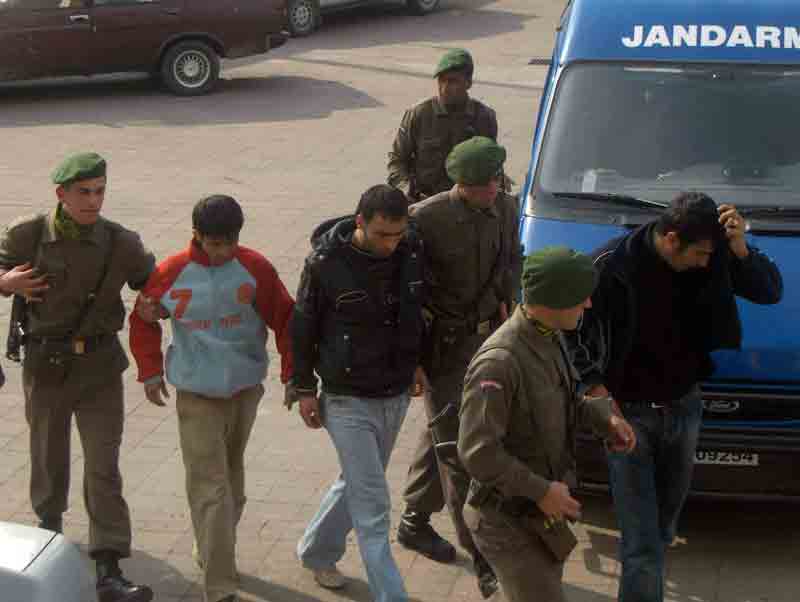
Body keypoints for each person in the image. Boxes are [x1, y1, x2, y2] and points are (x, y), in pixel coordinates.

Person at [569, 192, 783, 602]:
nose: (707, 262)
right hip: (628, 415)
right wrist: (594, 388)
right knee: (642, 545)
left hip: (685, 408)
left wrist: (740, 249)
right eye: (701, 254)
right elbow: (570, 333)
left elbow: (770, 291)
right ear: (670, 239)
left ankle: (655, 552)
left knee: (665, 524)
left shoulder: (713, 253)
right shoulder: (610, 267)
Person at [0, 152, 155, 602]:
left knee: (103, 465)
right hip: (45, 367)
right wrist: (6, 282)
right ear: (61, 194)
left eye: (100, 190)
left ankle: (108, 567)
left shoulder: (121, 242)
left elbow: (154, 281)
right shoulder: (28, 234)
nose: (93, 201)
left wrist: (154, 304)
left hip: (100, 368)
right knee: (49, 459)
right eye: (84, 192)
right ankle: (48, 544)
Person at [129, 195, 294, 602]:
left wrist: (294, 375)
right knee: (212, 489)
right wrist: (149, 370)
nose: (221, 251)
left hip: (244, 390)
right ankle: (220, 586)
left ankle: (210, 548)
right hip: (196, 394)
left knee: (232, 488)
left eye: (229, 243)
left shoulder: (255, 268)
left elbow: (287, 319)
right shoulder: (171, 272)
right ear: (196, 235)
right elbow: (143, 318)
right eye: (213, 243)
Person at [458, 246, 637, 602]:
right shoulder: (500, 363)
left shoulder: (548, 335)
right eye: (580, 298)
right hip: (507, 521)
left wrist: (606, 419)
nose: (588, 305)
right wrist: (541, 490)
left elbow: (565, 399)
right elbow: (478, 452)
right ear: (554, 299)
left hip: (538, 516)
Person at [396, 135, 522, 598]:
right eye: (487, 183)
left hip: (489, 338)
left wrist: (510, 300)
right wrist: (411, 360)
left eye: (498, 180)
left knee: (443, 432)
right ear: (463, 185)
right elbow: (404, 294)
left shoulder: (506, 208)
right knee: (459, 451)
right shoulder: (424, 219)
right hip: (443, 349)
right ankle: (483, 557)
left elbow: (513, 258)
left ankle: (412, 519)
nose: (496, 188)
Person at [288, 185, 426, 602]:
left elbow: (416, 311)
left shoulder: (412, 251)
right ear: (361, 222)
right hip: (345, 399)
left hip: (396, 392)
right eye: (383, 234)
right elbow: (303, 326)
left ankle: (315, 550)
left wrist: (417, 362)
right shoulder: (325, 263)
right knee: (373, 506)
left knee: (357, 483)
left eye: (398, 234)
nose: (392, 243)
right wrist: (303, 388)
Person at [388, 48, 499, 204]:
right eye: (441, 80)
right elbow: (397, 160)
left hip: (468, 203)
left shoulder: (484, 117)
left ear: (468, 83)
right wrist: (406, 190)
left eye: (453, 81)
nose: (444, 88)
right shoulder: (419, 114)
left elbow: (491, 163)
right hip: (424, 201)